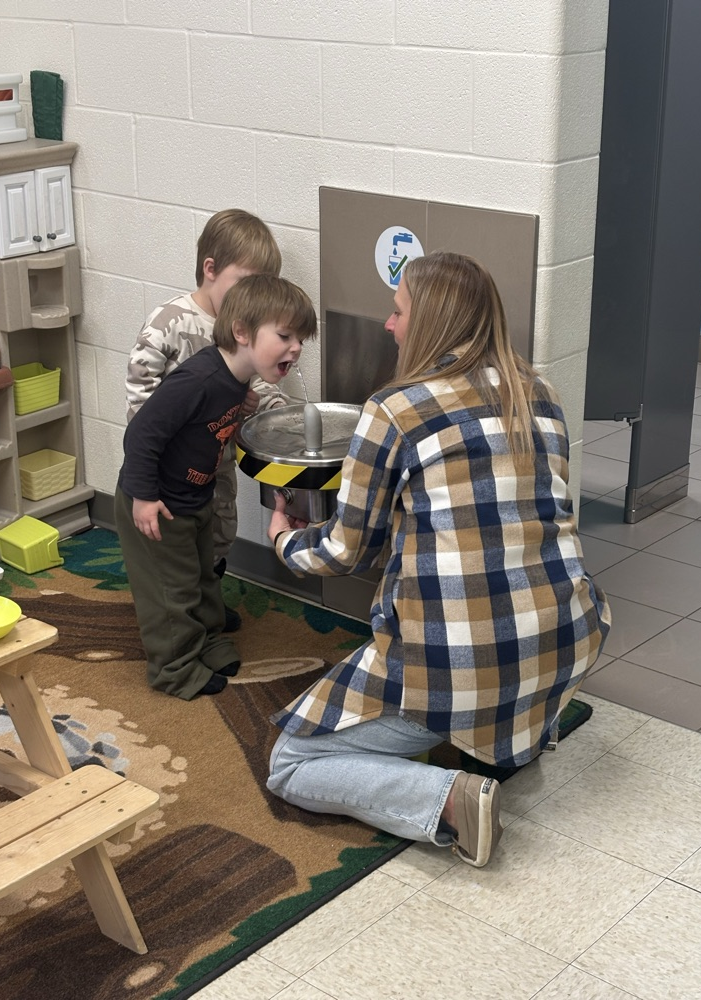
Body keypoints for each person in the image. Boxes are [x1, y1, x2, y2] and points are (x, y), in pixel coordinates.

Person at [265, 251, 610, 867]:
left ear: (430, 323)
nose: (389, 324)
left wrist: (285, 540)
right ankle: (522, 732)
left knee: (290, 762)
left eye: (398, 311)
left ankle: (450, 801)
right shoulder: (541, 394)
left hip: (461, 664)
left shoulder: (395, 410)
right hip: (567, 639)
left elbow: (345, 550)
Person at [116, 274, 317, 701]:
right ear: (242, 332)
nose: (297, 347)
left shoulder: (237, 381)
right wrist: (144, 497)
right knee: (172, 590)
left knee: (203, 576)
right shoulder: (198, 379)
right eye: (285, 336)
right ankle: (174, 669)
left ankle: (206, 641)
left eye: (300, 339)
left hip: (194, 497)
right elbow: (141, 435)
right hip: (158, 502)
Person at [126, 208, 289, 632]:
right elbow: (142, 402)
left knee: (218, 533)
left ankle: (207, 600)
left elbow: (263, 385)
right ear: (210, 269)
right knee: (175, 545)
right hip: (171, 473)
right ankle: (178, 615)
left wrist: (267, 411)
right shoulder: (170, 322)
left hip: (217, 462)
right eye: (245, 283)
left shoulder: (251, 329)